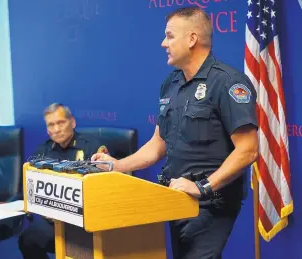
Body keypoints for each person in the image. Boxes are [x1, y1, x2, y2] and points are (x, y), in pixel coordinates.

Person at [92, 7, 258, 259]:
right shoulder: (171, 83)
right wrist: (117, 165)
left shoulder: (227, 82)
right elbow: (158, 143)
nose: (163, 43)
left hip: (210, 204)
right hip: (173, 201)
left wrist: (203, 187)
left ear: (192, 39)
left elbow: (248, 150)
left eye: (169, 36)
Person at [18, 103, 108, 259]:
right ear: (47, 130)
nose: (56, 129)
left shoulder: (92, 147)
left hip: (84, 221)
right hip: (53, 221)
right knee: (28, 240)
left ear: (72, 122)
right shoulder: (42, 152)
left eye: (61, 123)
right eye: (51, 125)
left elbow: (103, 187)